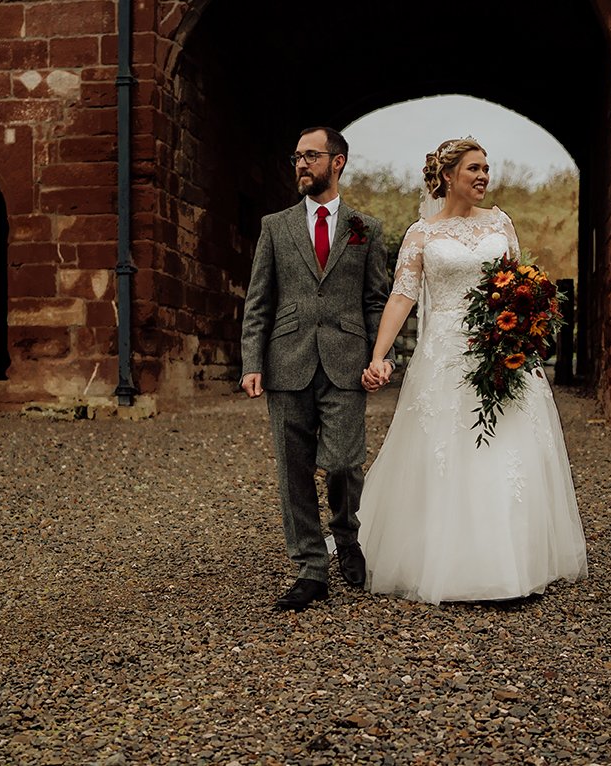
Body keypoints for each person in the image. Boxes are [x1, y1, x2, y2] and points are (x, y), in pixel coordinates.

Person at [356, 137, 587, 605]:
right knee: (448, 451)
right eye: (474, 169)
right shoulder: (422, 234)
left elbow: (516, 285)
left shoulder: (501, 223)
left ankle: (509, 566)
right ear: (447, 176)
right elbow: (403, 296)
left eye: (487, 168)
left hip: (500, 350)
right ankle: (450, 564)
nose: (483, 176)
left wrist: (525, 331)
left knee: (506, 451)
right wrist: (378, 356)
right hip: (442, 356)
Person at [240, 127, 390, 611]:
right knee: (294, 469)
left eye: (311, 156)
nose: (301, 164)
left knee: (345, 461)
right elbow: (258, 300)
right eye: (297, 157)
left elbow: (376, 300)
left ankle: (346, 535)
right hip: (287, 360)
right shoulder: (274, 226)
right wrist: (252, 362)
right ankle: (310, 566)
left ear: (337, 162)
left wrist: (379, 356)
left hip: (347, 362)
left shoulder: (365, 228)